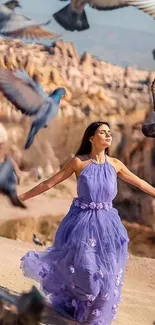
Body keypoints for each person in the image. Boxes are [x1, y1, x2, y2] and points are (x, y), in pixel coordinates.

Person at [20, 121, 155, 325]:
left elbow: (140, 182)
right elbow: (49, 183)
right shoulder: (78, 163)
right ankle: (78, 303)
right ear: (92, 138)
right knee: (88, 272)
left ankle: (93, 316)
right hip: (82, 224)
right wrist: (20, 196)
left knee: (108, 275)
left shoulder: (116, 164)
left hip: (109, 225)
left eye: (109, 132)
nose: (108, 135)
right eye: (103, 132)